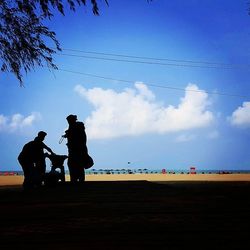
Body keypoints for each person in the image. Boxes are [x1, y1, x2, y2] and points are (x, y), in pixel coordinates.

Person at [63, 114, 88, 183]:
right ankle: (77, 180)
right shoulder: (74, 126)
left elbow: (76, 136)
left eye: (69, 120)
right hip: (75, 150)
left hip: (77, 150)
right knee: (76, 165)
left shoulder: (76, 126)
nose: (68, 122)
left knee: (75, 164)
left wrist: (68, 134)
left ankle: (76, 180)